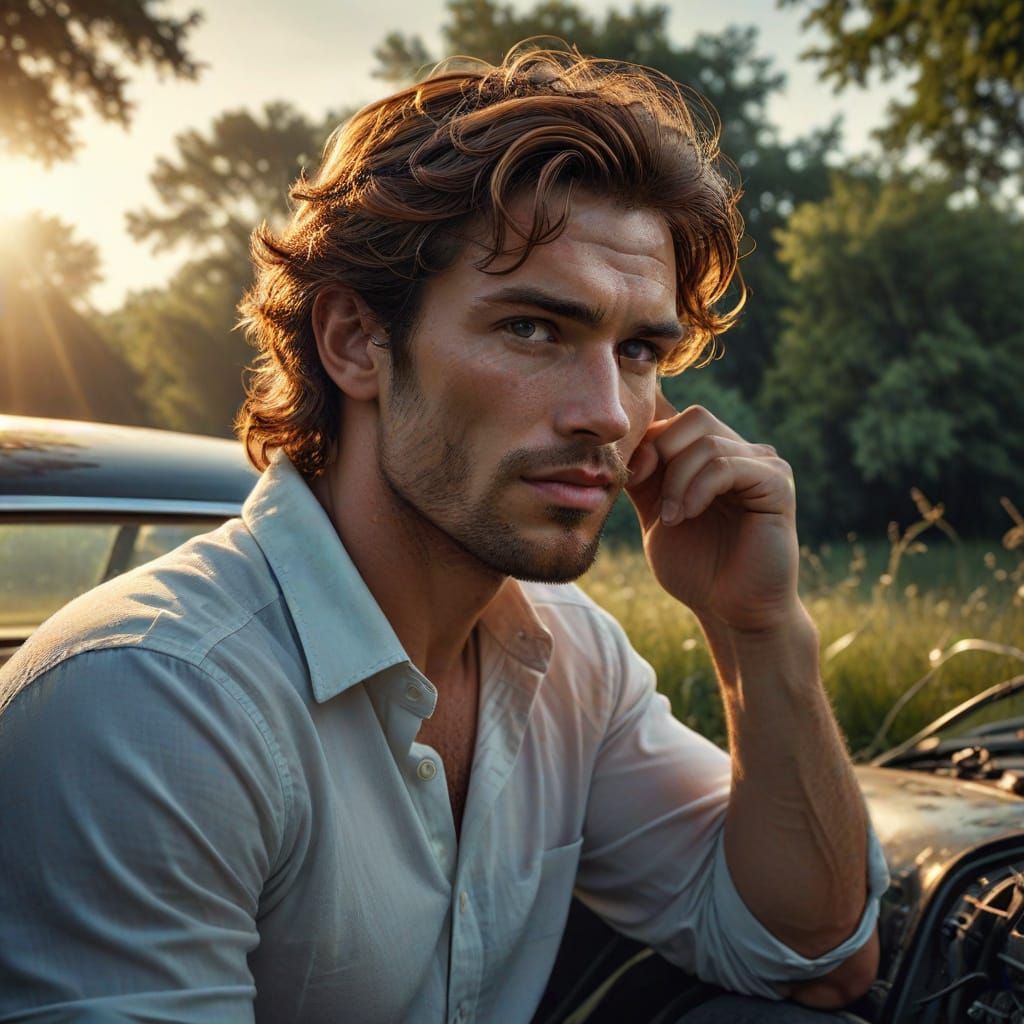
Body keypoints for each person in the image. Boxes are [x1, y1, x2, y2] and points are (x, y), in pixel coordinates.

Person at [0, 44, 888, 1023]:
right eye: (532, 329)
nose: (607, 411)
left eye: (638, 349)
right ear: (354, 342)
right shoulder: (150, 700)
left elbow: (815, 957)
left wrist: (758, 629)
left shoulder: (572, 658)